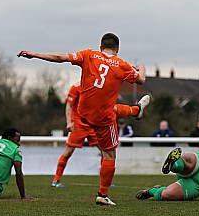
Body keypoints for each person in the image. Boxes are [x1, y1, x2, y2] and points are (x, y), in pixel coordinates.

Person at [17, 32, 147, 206]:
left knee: (112, 108)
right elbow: (141, 80)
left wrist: (35, 54)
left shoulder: (89, 54)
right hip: (102, 118)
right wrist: (140, 67)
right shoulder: (122, 65)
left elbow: (59, 57)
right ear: (118, 49)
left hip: (84, 114)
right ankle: (102, 194)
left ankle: (135, 110)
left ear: (101, 47)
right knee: (109, 153)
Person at [51, 81, 149, 188]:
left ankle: (106, 183)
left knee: (105, 151)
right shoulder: (76, 87)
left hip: (94, 123)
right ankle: (56, 179)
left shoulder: (96, 86)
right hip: (78, 124)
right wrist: (69, 122)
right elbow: (69, 105)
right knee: (68, 151)